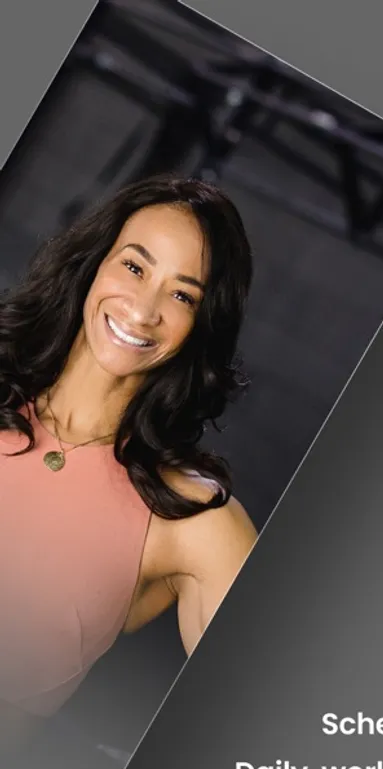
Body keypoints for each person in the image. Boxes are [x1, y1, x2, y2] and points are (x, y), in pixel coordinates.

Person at [0, 174, 258, 724]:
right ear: (93, 263)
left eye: (183, 294)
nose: (143, 310)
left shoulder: (190, 519)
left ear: (202, 324)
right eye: (135, 267)